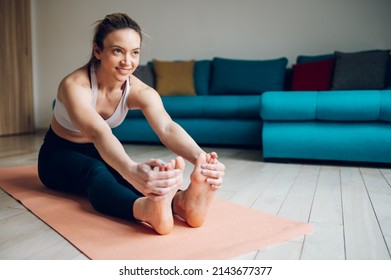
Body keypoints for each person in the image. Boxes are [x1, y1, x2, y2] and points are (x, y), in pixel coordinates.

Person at [38, 13, 225, 235]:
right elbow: (98, 133)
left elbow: (167, 128)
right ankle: (145, 210)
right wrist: (130, 169)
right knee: (98, 172)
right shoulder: (75, 86)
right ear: (98, 51)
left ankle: (182, 203)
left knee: (127, 173)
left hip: (99, 149)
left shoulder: (140, 90)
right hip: (57, 155)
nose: (128, 62)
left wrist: (201, 160)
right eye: (118, 51)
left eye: (134, 53)